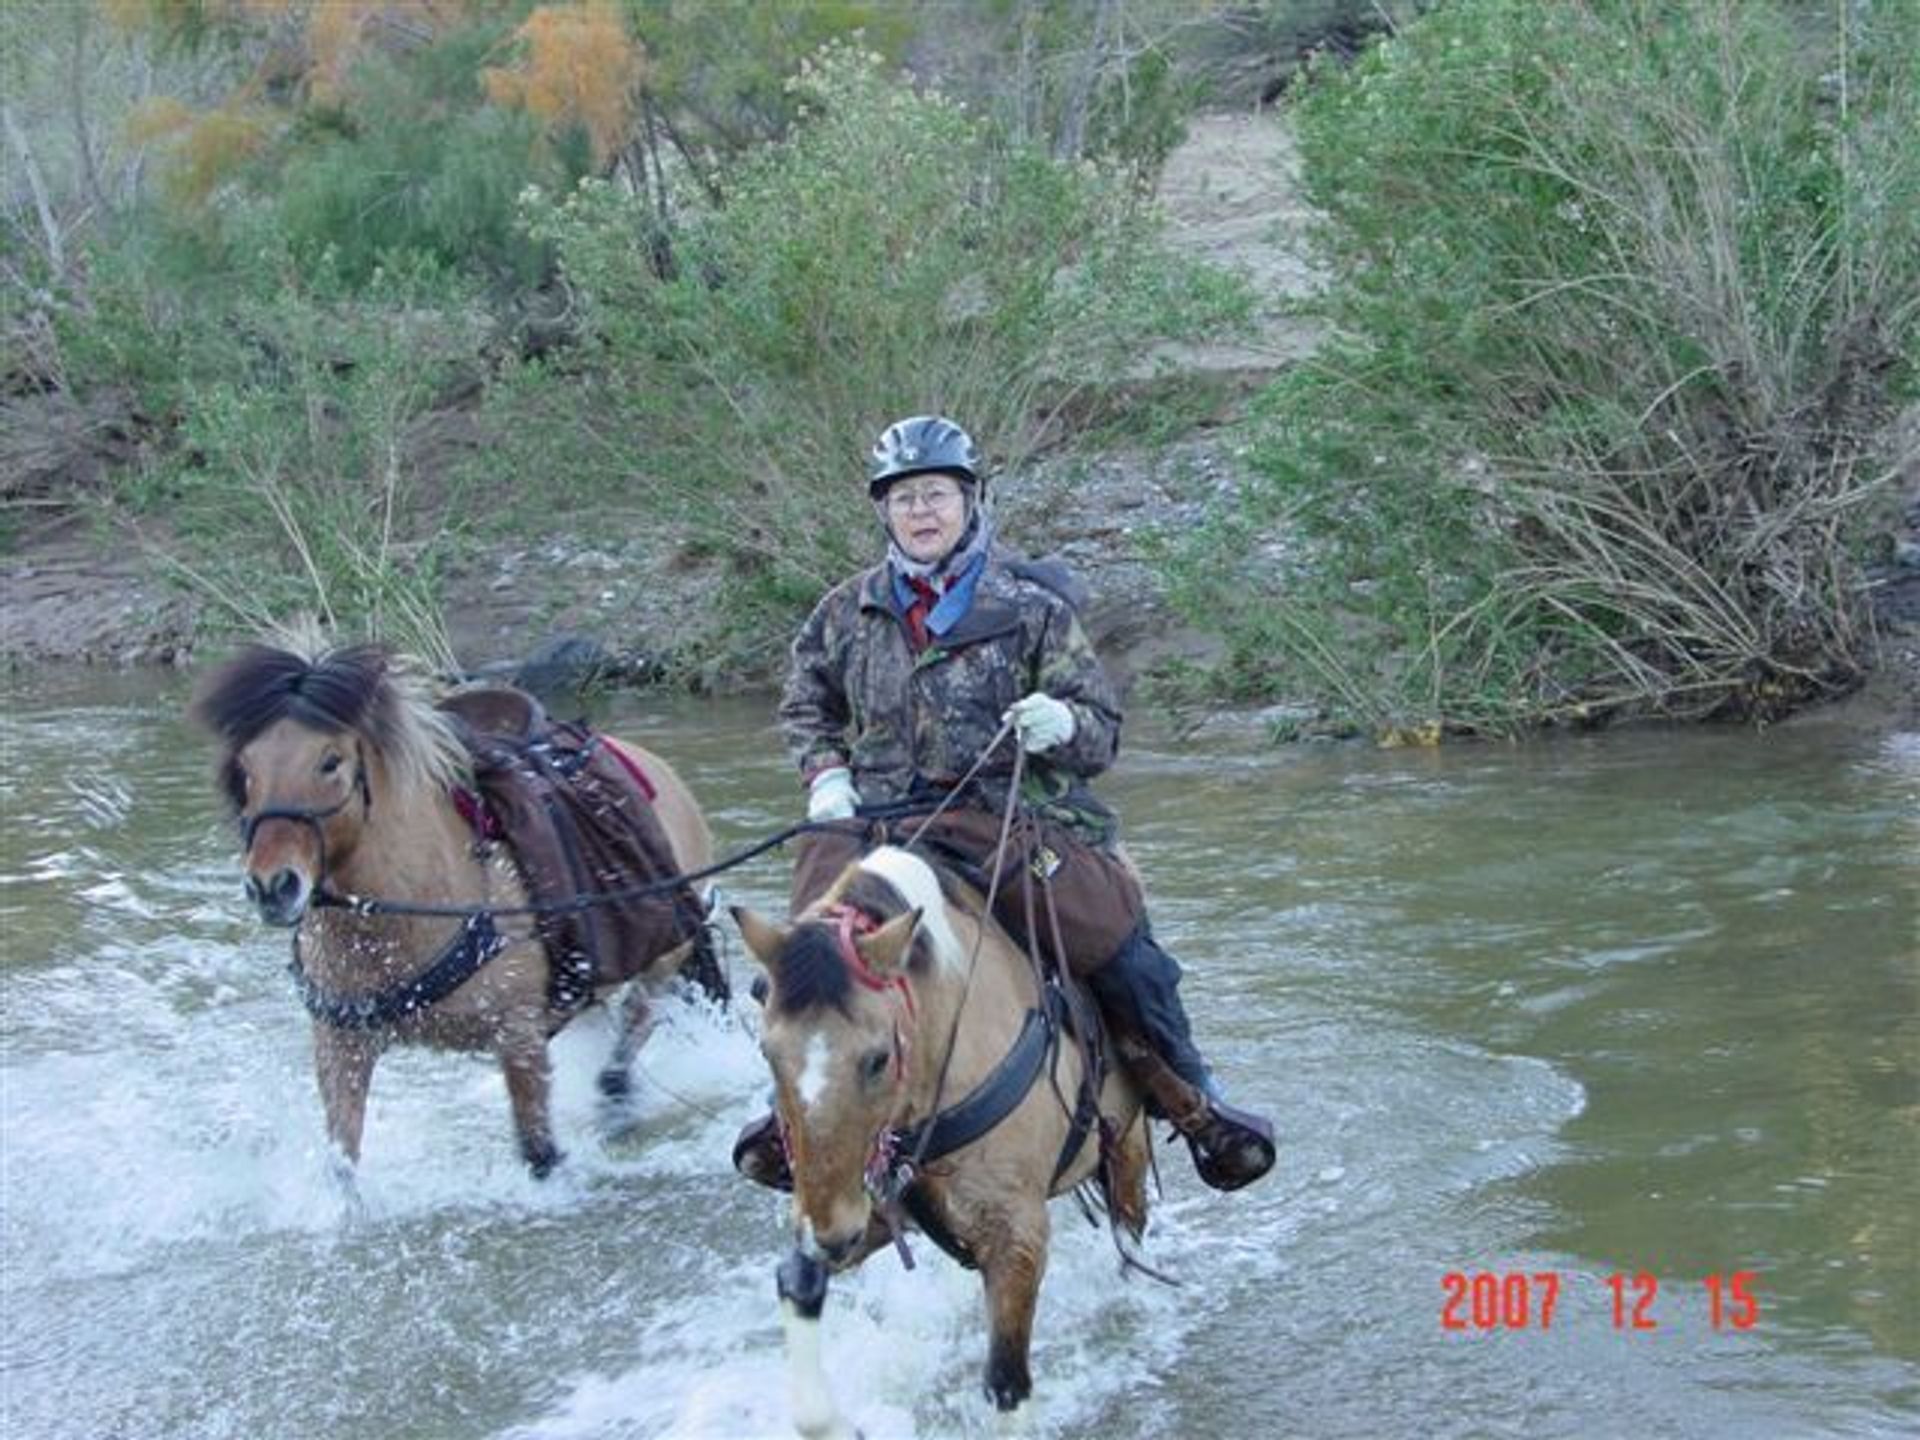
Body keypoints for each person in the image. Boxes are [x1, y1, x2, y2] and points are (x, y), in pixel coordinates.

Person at [732, 415, 1275, 1193]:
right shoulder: (842, 611)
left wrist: (1061, 725)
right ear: (883, 510)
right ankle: (791, 1115)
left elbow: (1102, 734)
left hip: (1007, 819)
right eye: (904, 498)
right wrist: (825, 772)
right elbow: (803, 707)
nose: (922, 511)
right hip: (874, 821)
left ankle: (1192, 1099)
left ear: (970, 499)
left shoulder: (1033, 607)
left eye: (936, 495)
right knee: (799, 960)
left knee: (1122, 948)